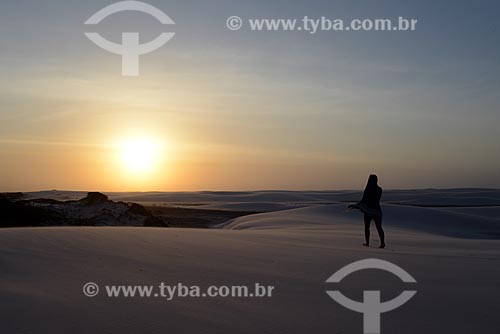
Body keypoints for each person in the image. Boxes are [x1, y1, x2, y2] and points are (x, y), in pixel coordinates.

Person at [348, 174, 385, 248]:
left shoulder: (368, 189)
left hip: (369, 211)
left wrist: (357, 205)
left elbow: (364, 200)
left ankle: (368, 243)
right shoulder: (379, 189)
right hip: (377, 211)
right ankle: (382, 243)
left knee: (367, 227)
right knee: (379, 227)